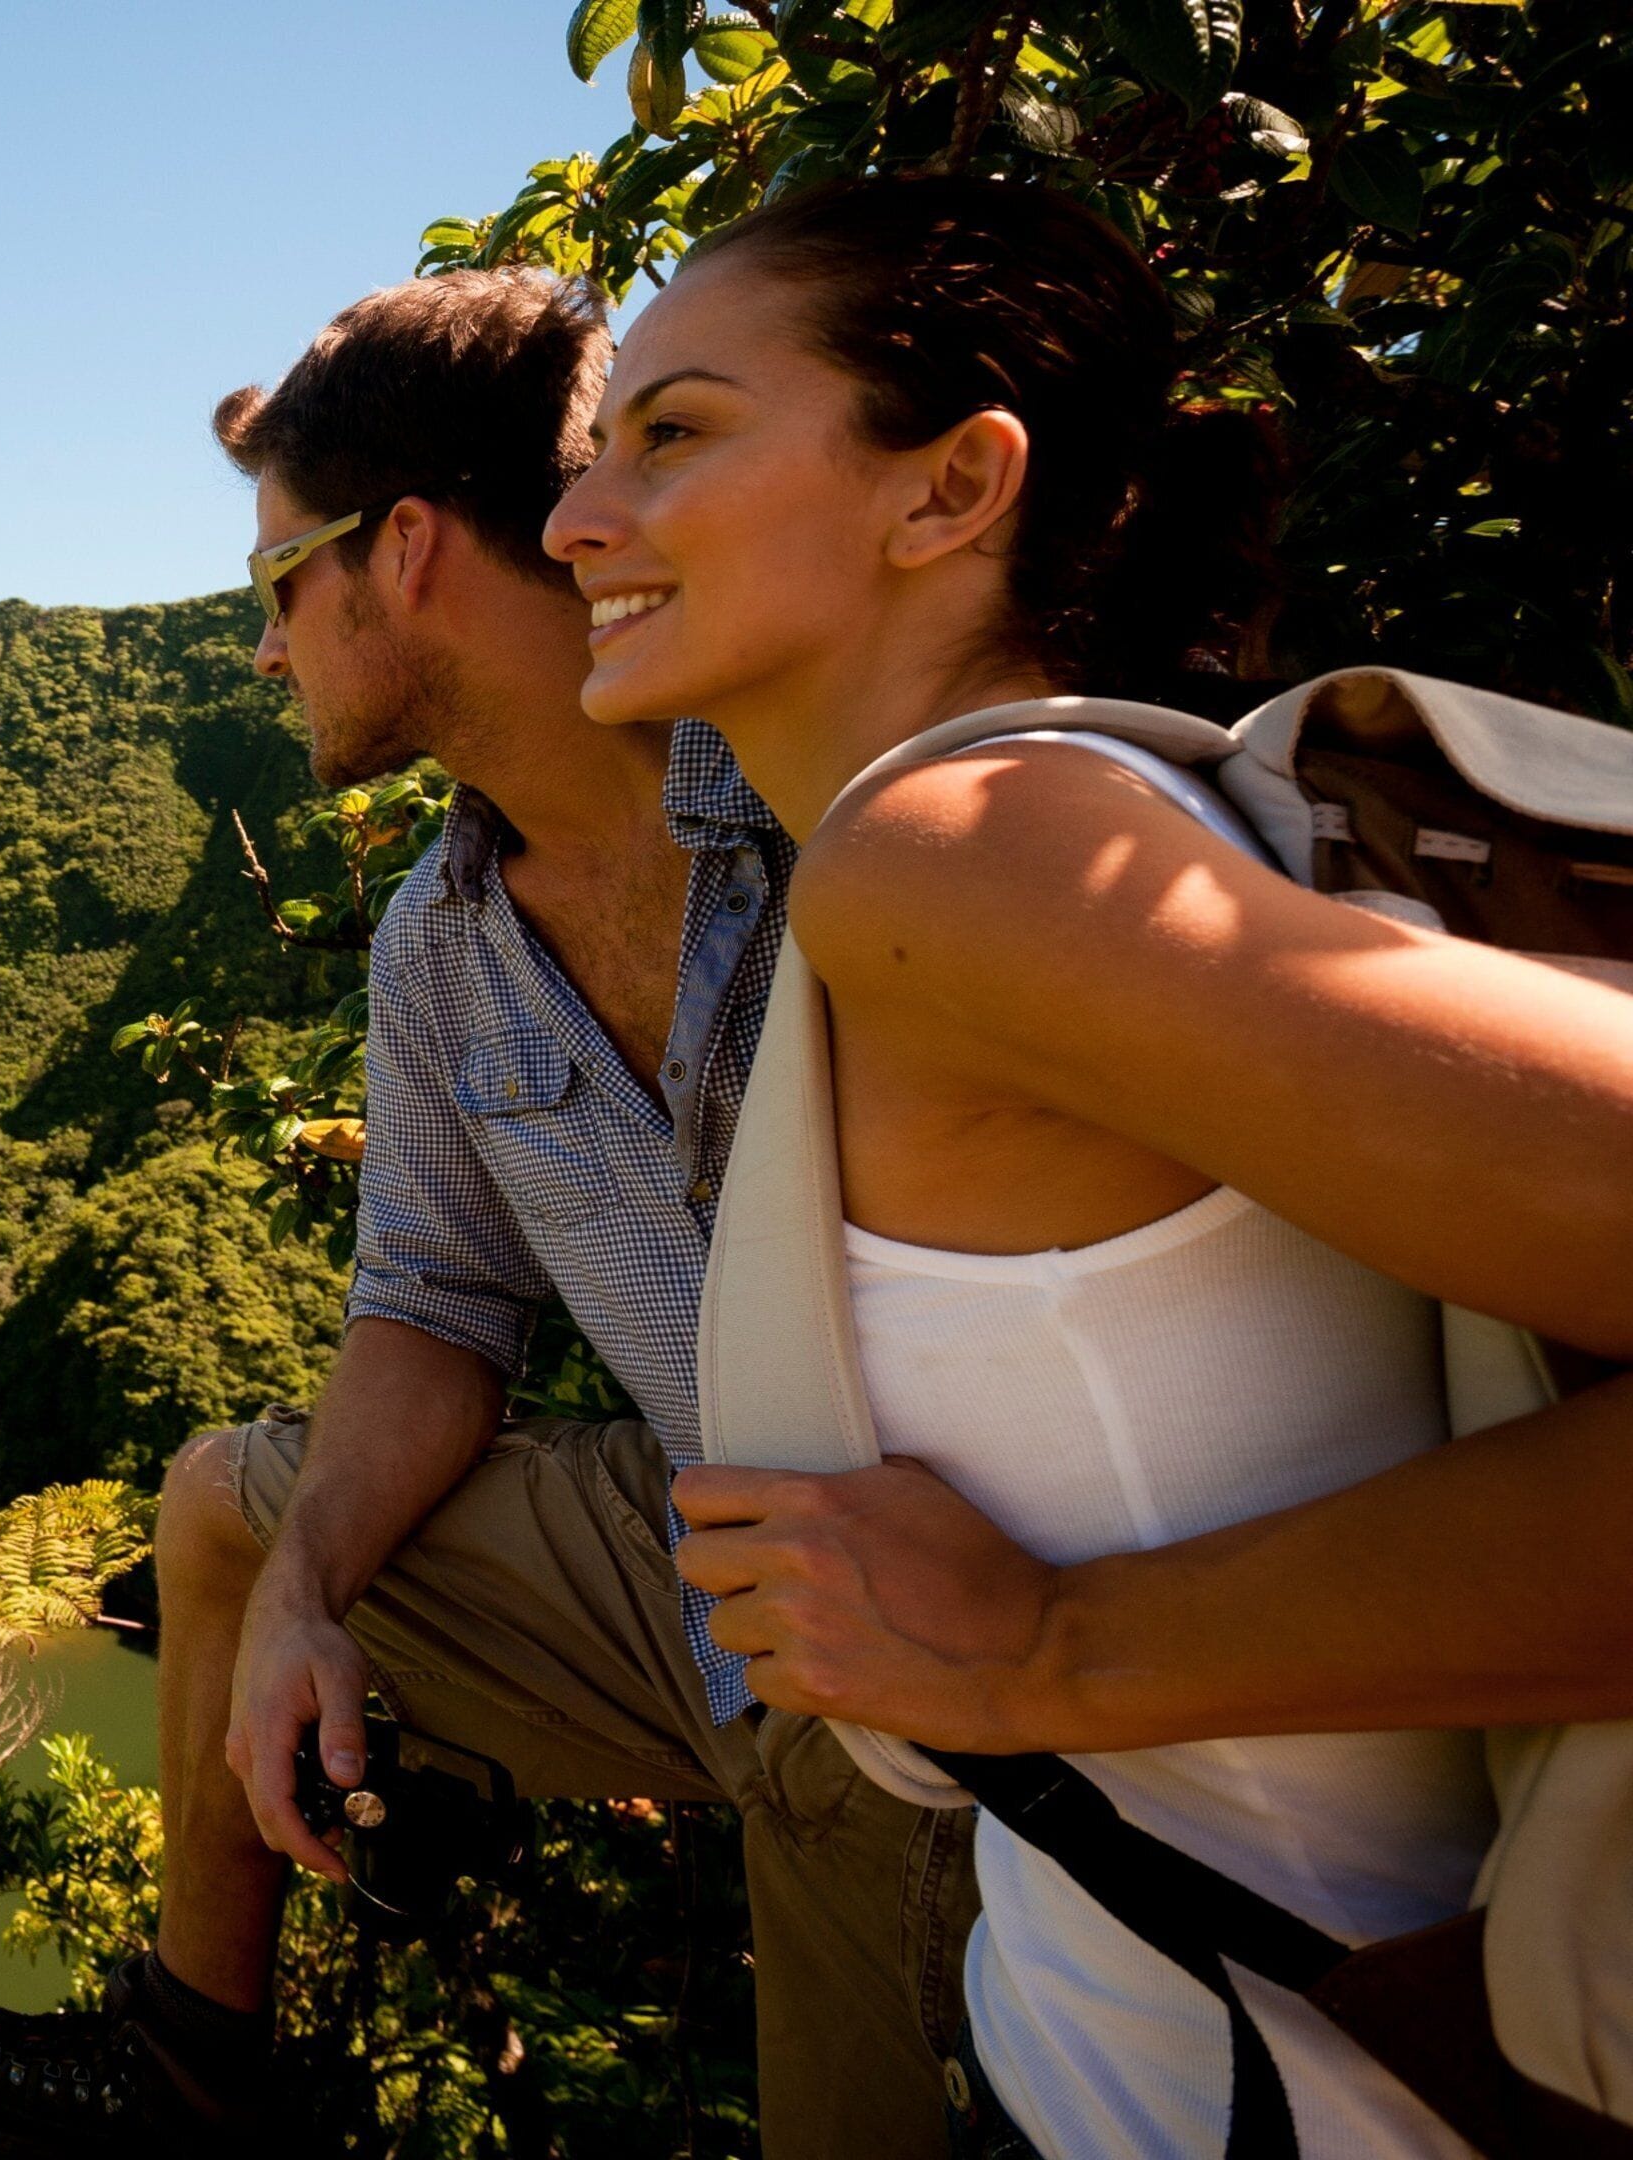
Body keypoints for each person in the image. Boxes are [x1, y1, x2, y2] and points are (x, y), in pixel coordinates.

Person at [542, 173, 1633, 2156]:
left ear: (950, 490)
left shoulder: (964, 859)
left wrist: (1058, 1650)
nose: (577, 520)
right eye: (591, 450)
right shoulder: (1039, 831)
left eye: (673, 434)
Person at [0, 269, 973, 2160]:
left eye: (273, 586)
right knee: (231, 1519)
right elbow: (432, 1302)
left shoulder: (837, 809)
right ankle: (193, 2078)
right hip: (710, 1554)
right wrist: (305, 1595)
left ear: (403, 553)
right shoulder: (439, 945)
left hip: (967, 1618)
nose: (256, 652)